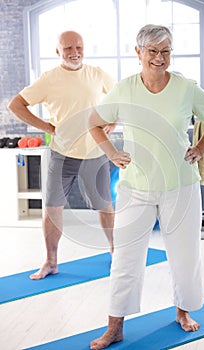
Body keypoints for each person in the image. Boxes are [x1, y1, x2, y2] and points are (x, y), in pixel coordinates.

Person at [88, 24, 204, 349]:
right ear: (138, 53)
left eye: (165, 51)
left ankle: (182, 311)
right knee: (125, 258)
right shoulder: (124, 89)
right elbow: (94, 123)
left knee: (184, 255)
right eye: (152, 51)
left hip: (180, 185)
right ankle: (115, 326)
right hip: (136, 187)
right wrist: (112, 152)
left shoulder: (186, 87)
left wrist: (201, 147)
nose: (159, 58)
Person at [8, 30, 116, 280]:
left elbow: (120, 98)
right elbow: (15, 104)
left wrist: (114, 119)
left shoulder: (97, 74)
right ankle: (51, 261)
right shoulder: (48, 79)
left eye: (78, 46)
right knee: (52, 207)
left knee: (105, 206)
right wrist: (46, 127)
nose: (74, 52)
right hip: (61, 153)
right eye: (68, 48)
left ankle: (115, 252)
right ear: (57, 51)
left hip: (94, 152)